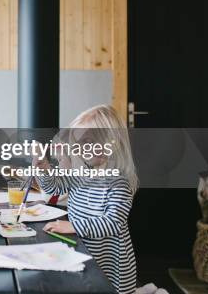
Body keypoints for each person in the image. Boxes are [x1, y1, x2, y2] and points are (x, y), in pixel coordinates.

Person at [34, 105, 138, 294]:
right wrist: (44, 169)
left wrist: (73, 226)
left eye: (88, 142)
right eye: (78, 142)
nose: (81, 148)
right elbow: (54, 187)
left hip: (112, 271)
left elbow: (113, 222)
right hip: (87, 255)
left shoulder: (118, 183)